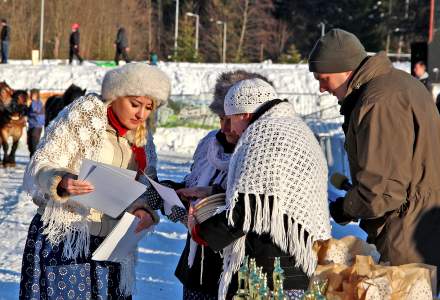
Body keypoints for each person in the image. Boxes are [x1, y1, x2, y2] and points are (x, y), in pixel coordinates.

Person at [20, 63, 171, 299]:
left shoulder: (143, 138)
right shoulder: (85, 114)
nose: (141, 114)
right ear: (116, 96)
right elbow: (40, 164)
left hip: (112, 248)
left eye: (148, 107)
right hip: (67, 239)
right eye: (135, 104)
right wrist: (61, 181)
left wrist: (143, 209)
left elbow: (147, 188)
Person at [309, 28, 440, 286]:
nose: (322, 88)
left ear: (345, 69)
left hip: (408, 233)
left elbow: (381, 191)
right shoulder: (399, 84)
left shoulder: (378, 102)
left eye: (324, 78)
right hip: (422, 224)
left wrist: (346, 207)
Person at [181, 78, 331, 300]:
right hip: (297, 258)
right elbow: (271, 193)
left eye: (231, 119)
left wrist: (201, 231)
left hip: (270, 270)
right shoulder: (295, 128)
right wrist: (214, 193)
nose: (230, 129)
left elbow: (247, 211)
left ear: (244, 114)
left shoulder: (261, 137)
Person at [172, 71, 273, 300]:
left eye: (231, 119)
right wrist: (176, 192)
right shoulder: (209, 144)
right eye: (221, 118)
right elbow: (193, 184)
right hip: (199, 267)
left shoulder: (262, 152)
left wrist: (213, 195)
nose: (226, 128)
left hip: (241, 271)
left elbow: (254, 205)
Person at [27, 89, 45, 157]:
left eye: (33, 94)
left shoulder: (37, 103)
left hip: (36, 126)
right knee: (30, 145)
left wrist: (28, 115)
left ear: (37, 95)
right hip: (32, 125)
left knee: (34, 144)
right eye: (31, 94)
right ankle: (32, 159)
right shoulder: (33, 103)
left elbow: (37, 113)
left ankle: (34, 159)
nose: (31, 96)